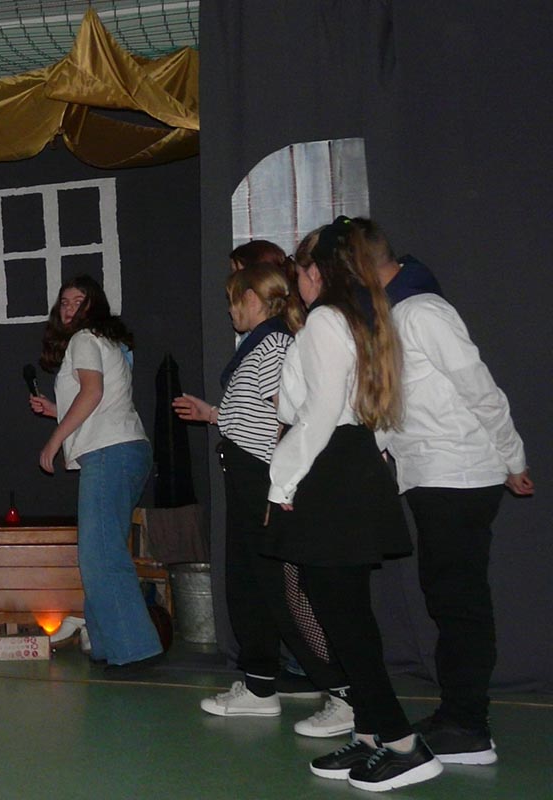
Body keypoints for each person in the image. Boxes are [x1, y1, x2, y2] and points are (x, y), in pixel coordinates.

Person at [265, 218, 441, 791]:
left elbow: (316, 415)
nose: (297, 284)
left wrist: (282, 481)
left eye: (299, 272)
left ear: (315, 272)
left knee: (345, 621)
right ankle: (369, 735)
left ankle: (403, 744)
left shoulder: (324, 320)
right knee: (346, 615)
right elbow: (369, 412)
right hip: (353, 465)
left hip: (329, 472)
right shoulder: (360, 317)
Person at [357, 218, 533, 765]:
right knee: (447, 598)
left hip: (459, 473)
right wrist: (380, 448)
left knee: (459, 603)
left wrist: (513, 458)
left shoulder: (423, 311)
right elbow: (400, 400)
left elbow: (481, 390)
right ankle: (457, 713)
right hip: (433, 474)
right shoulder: (396, 313)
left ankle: (470, 727)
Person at [173, 264, 354, 735]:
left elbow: (287, 417)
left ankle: (344, 693)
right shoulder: (259, 345)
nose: (230, 309)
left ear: (253, 298)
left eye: (234, 299)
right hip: (245, 479)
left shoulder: (273, 344)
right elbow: (254, 415)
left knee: (284, 591)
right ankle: (258, 687)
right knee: (247, 588)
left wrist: (282, 485)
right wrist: (214, 415)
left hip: (264, 482)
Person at [28, 275, 162, 672]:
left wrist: (54, 441)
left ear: (94, 304)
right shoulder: (108, 341)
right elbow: (103, 400)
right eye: (64, 302)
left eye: (78, 300)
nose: (69, 307)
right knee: (102, 551)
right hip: (126, 448)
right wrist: (56, 411)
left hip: (109, 452)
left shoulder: (85, 339)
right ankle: (106, 644)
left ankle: (136, 649)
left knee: (100, 555)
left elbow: (92, 393)